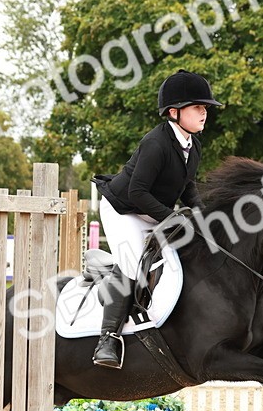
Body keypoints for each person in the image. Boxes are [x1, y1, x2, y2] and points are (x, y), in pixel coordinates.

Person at [91, 69, 222, 368]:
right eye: (198, 107)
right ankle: (107, 339)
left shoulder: (193, 145)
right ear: (174, 112)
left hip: (153, 210)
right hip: (123, 210)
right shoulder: (156, 143)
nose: (204, 112)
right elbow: (137, 192)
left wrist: (202, 219)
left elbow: (187, 187)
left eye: (205, 108)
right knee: (133, 263)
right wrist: (173, 217)